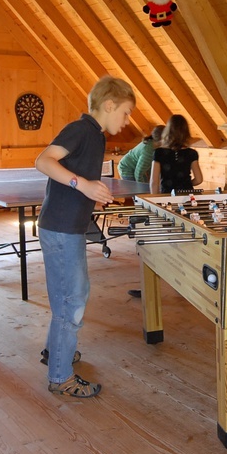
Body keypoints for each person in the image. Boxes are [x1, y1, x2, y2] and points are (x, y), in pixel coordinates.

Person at [35, 75, 135, 398]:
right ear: (109, 105)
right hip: (61, 230)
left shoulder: (96, 136)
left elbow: (78, 181)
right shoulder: (80, 129)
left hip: (67, 227)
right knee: (73, 301)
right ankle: (61, 376)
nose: (127, 121)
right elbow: (43, 161)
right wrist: (84, 185)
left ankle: (55, 353)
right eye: (126, 113)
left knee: (67, 297)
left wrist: (94, 193)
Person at [149, 114, 203, 194]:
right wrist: (186, 184)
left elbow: (154, 182)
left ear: (167, 131)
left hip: (167, 195)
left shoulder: (159, 153)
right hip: (186, 195)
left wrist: (155, 199)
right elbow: (199, 179)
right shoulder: (192, 153)